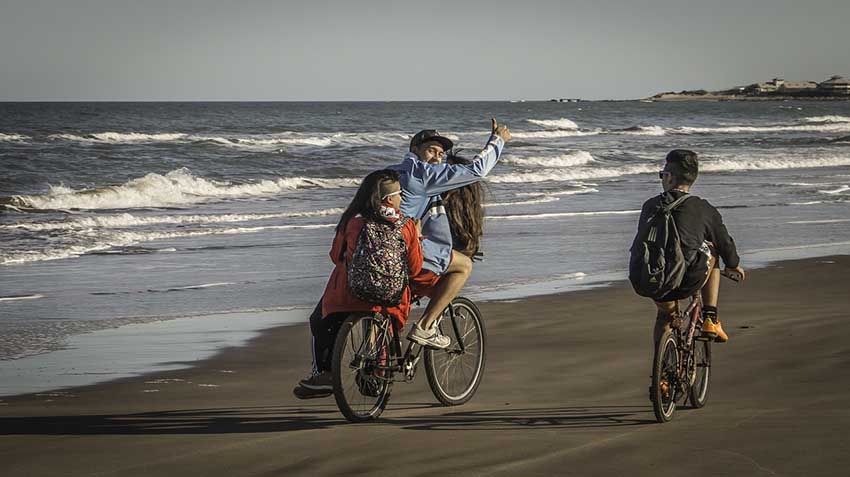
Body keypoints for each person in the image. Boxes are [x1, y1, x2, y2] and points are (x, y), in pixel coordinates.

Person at [294, 169, 423, 399]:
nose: (402, 198)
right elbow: (414, 268)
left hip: (348, 293)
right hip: (390, 298)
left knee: (320, 320)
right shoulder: (407, 225)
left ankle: (323, 374)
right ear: (389, 199)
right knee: (384, 323)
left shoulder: (353, 222)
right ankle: (380, 370)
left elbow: (335, 255)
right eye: (399, 194)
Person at [388, 119, 510, 349]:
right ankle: (425, 327)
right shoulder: (424, 174)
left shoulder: (388, 172)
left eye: (441, 154)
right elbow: (476, 170)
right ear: (414, 151)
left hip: (373, 247)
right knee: (463, 265)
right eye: (431, 151)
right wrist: (498, 140)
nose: (436, 158)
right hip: (402, 250)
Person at [631, 149, 746, 346]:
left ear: (668, 177)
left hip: (649, 279)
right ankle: (710, 317)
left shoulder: (650, 206)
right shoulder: (703, 208)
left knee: (665, 316)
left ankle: (663, 372)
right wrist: (734, 264)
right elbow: (724, 241)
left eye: (662, 175)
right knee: (713, 250)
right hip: (688, 280)